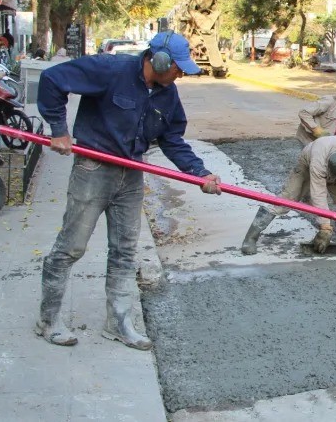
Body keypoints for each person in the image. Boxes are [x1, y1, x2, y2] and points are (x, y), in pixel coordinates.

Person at [35, 31, 222, 350]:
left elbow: (173, 139)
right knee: (72, 247)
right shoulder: (110, 70)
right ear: (159, 60)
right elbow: (52, 79)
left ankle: (119, 323)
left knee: (124, 251)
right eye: (177, 67)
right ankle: (48, 318)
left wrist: (200, 172)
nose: (180, 74)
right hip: (93, 170)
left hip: (132, 174)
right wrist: (59, 131)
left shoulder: (168, 94)